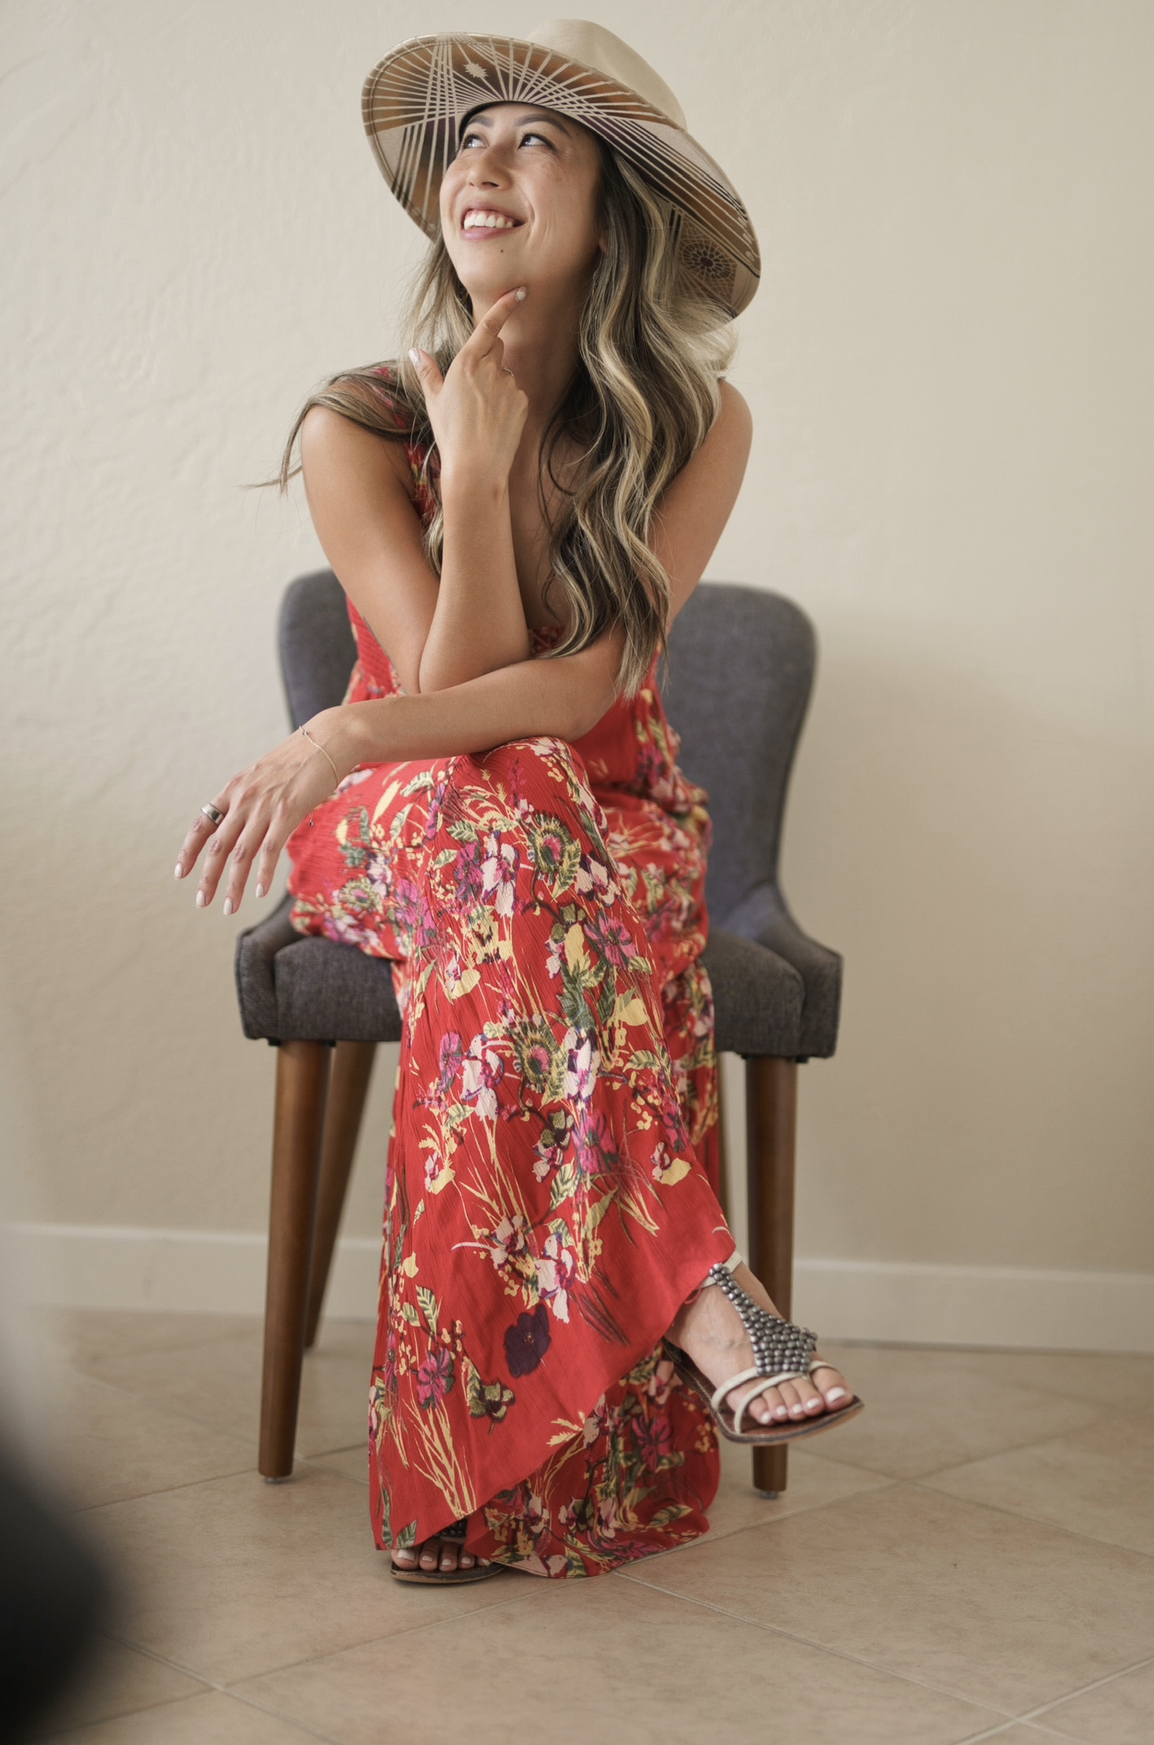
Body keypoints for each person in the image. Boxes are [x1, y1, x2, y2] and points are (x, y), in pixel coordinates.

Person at [174, 21, 861, 1583]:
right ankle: (702, 1284)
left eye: (535, 138)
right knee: (502, 832)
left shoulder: (697, 425)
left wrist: (339, 729)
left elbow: (581, 689)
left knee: (530, 843)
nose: (481, 163)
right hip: (399, 817)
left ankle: (466, 1486)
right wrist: (471, 474)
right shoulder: (357, 421)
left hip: (600, 815)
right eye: (468, 136)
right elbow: (452, 674)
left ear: (616, 208)